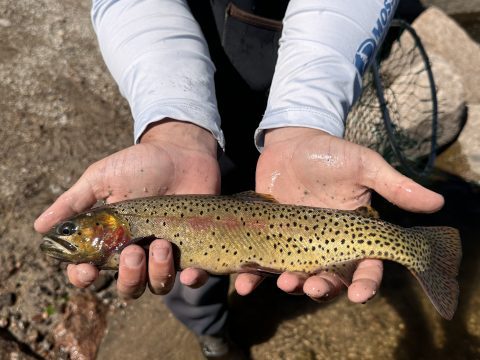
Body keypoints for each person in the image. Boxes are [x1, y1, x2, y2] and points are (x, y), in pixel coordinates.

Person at [34, 0, 444, 358]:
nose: (66, 235)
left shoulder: (123, 220)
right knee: (177, 276)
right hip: (200, 92)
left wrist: (307, 116)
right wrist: (173, 121)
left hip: (307, 68)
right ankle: (214, 335)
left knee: (205, 274)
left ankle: (224, 329)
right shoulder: (131, 218)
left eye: (72, 230)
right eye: (72, 232)